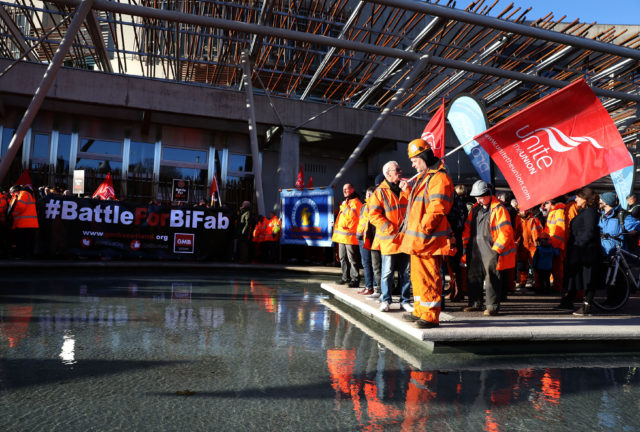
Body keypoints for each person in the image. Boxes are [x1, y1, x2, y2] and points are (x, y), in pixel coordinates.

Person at [398, 138, 455, 329]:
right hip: (420, 240)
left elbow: (437, 209)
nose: (412, 164)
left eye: (414, 160)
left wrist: (423, 229)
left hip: (428, 240)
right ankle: (420, 311)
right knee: (418, 277)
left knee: (430, 277)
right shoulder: (427, 176)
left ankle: (430, 316)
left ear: (423, 156)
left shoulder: (439, 177)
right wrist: (407, 192)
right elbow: (419, 205)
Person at [461, 180, 515, 316]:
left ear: (488, 194)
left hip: (491, 248)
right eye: (476, 198)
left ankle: (492, 306)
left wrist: (497, 249)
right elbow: (468, 228)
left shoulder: (499, 209)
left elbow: (506, 231)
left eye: (480, 197)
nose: (478, 200)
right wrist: (466, 245)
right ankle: (474, 303)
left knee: (491, 277)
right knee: (473, 275)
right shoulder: (475, 209)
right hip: (475, 248)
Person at [369, 161, 412, 313]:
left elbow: (413, 207)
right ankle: (385, 300)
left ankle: (405, 301)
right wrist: (389, 228)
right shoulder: (379, 192)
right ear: (388, 173)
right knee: (387, 272)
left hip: (405, 239)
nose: (401, 172)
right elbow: (373, 215)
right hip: (389, 240)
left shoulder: (406, 188)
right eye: (397, 170)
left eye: (400, 169)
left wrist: (407, 191)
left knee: (405, 273)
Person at [556, 187, 600, 314]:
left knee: (588, 279)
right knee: (576, 276)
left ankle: (587, 306)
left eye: (578, 197)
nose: (576, 199)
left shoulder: (590, 212)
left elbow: (589, 231)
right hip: (579, 250)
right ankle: (568, 301)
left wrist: (579, 244)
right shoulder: (584, 211)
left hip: (586, 251)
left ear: (585, 199)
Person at [332, 183, 362, 288]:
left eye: (347, 189)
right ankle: (345, 278)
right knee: (342, 258)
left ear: (352, 189)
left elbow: (351, 217)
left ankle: (355, 279)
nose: (344, 191)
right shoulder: (347, 202)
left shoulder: (356, 202)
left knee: (352, 259)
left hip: (350, 237)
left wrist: (344, 206)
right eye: (343, 189)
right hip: (342, 237)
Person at [515, 206, 543, 291]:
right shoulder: (517, 219)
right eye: (523, 209)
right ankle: (522, 282)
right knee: (522, 265)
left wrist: (539, 242)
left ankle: (538, 283)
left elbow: (540, 231)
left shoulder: (534, 219)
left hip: (532, 246)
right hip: (522, 246)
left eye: (526, 209)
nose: (525, 210)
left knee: (535, 265)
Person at [8, 185, 39, 259]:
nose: (12, 195)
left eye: (12, 193)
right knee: (28, 241)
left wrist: (12, 214)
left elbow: (20, 207)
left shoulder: (23, 193)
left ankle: (21, 256)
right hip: (29, 224)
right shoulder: (27, 194)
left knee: (22, 241)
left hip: (24, 224)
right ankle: (28, 256)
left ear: (15, 191)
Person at [543, 197, 567, 292]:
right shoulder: (554, 212)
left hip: (557, 246)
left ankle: (558, 287)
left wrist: (553, 245)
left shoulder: (559, 212)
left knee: (557, 269)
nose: (544, 206)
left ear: (551, 203)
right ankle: (556, 286)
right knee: (555, 268)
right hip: (553, 244)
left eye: (546, 203)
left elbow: (560, 230)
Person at [356, 186, 376, 295]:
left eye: (369, 194)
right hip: (361, 237)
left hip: (367, 238)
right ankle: (369, 286)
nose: (367, 195)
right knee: (366, 263)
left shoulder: (372, 206)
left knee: (368, 263)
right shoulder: (365, 206)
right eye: (367, 193)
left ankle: (370, 287)